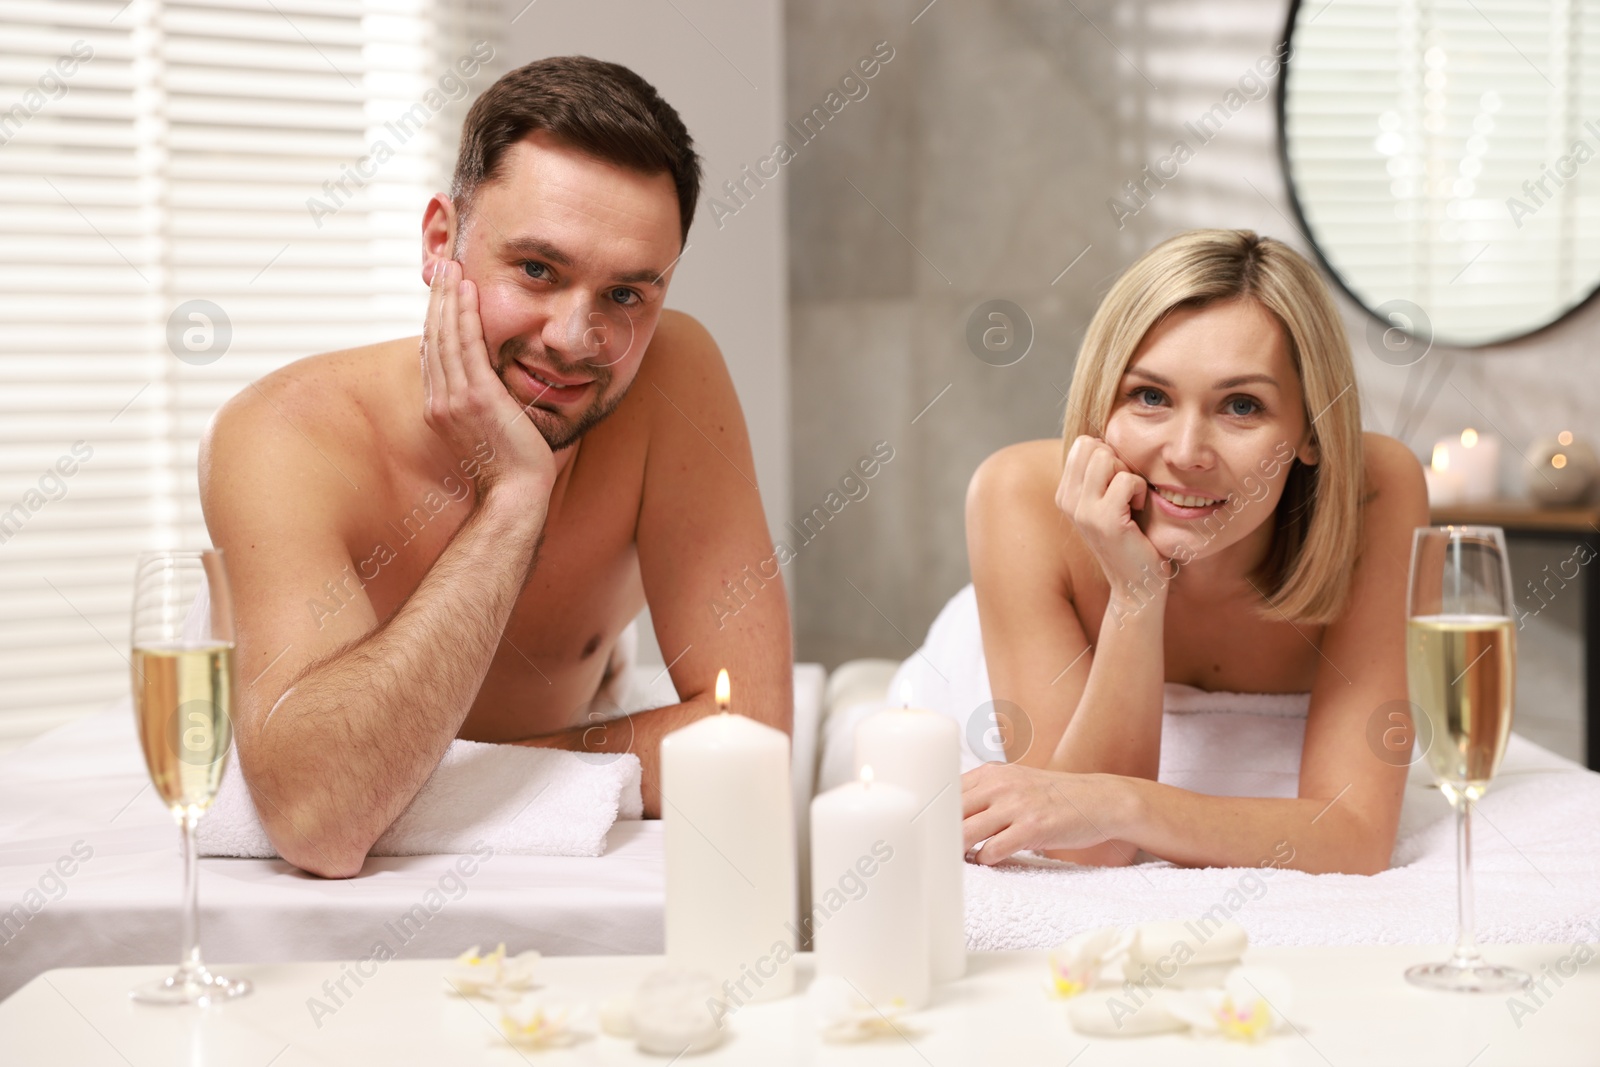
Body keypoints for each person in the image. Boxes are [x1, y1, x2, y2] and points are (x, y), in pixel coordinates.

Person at [199, 56, 792, 878]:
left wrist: (441, 776)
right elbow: (320, 820)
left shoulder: (673, 379)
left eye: (626, 294)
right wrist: (516, 499)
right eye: (538, 270)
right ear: (442, 242)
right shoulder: (282, 434)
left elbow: (755, 738)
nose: (573, 337)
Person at [958, 229, 1428, 875]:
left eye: (1241, 406)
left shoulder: (1377, 490)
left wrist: (1123, 802)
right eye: (1149, 396)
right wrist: (1135, 592)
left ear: (1312, 429)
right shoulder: (1016, 494)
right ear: (1101, 405)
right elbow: (1083, 847)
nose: (1186, 452)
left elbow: (1353, 833)